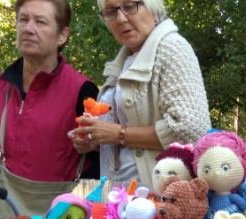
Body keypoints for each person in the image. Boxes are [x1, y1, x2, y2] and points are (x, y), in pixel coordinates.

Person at [0, 0, 100, 219]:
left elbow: (97, 163)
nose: (29, 28)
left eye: (40, 22)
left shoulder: (83, 92)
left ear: (62, 35)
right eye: (23, 19)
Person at [70, 0, 210, 188]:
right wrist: (93, 140)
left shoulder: (173, 48)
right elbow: (118, 132)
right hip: (120, 194)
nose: (120, 18)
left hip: (161, 195)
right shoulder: (125, 60)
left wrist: (118, 134)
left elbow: (190, 129)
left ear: (153, 6)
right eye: (111, 12)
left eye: (129, 6)